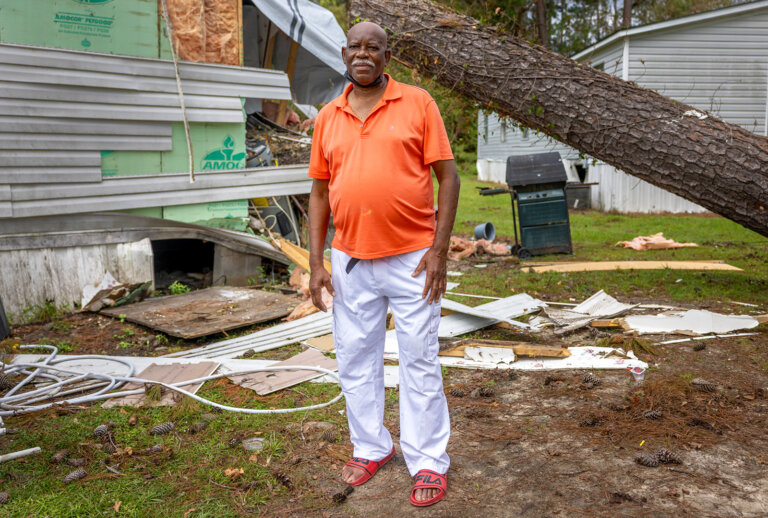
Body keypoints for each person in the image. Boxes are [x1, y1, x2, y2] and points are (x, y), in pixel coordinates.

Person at [307, 21, 460, 507]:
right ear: (345, 53)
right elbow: (319, 190)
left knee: (418, 357)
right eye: (355, 46)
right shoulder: (328, 115)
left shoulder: (418, 103)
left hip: (413, 258)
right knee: (355, 358)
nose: (363, 54)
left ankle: (429, 461)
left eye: (373, 47)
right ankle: (372, 447)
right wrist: (315, 261)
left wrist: (438, 250)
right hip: (350, 258)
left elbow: (449, 177)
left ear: (386, 56)